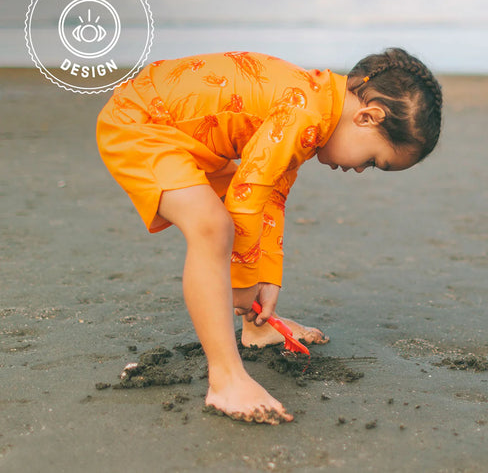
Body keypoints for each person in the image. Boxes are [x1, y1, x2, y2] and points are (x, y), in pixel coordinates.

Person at [96, 48, 442, 424]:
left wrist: (265, 280)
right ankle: (226, 379)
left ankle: (256, 329)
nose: (361, 170)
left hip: (183, 135)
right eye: (374, 161)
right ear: (367, 117)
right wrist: (242, 278)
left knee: (235, 219)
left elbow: (270, 194)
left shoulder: (316, 108)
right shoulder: (306, 111)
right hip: (141, 123)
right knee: (212, 227)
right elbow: (247, 195)